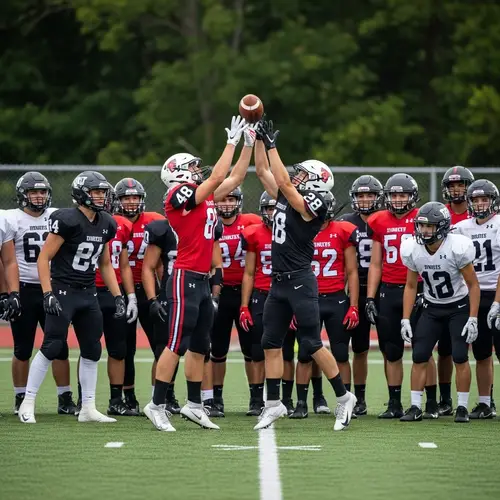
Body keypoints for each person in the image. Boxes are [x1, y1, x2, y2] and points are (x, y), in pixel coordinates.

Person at [144, 115, 250, 431]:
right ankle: (156, 403)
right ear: (177, 174)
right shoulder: (175, 196)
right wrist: (230, 142)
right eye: (191, 167)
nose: (196, 170)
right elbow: (218, 177)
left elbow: (235, 178)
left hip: (203, 280)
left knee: (200, 346)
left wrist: (249, 142)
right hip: (184, 278)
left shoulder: (202, 198)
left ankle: (194, 404)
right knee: (175, 344)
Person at [253, 119, 356, 431]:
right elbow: (262, 172)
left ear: (315, 181)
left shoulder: (318, 201)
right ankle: (273, 404)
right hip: (279, 282)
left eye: (302, 175)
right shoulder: (289, 194)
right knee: (270, 342)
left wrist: (272, 145)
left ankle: (343, 397)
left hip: (300, 281)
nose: (296, 177)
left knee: (311, 343)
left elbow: (284, 183)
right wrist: (257, 140)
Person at [18, 171, 126, 424]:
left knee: (92, 348)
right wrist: (48, 292)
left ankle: (88, 407)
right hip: (63, 289)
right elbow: (44, 258)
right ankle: (28, 401)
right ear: (82, 195)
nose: (101, 196)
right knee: (52, 345)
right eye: (96, 192)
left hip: (88, 292)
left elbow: (106, 264)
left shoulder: (107, 223)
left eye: (103, 192)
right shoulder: (67, 220)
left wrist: (118, 295)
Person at [365, 173, 438, 418]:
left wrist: (428, 289)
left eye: (402, 195)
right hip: (389, 291)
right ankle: (394, 403)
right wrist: (370, 297)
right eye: (394, 195)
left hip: (418, 290)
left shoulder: (422, 218)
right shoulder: (378, 221)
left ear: (412, 196)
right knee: (391, 350)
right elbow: (376, 263)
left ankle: (431, 403)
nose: (397, 199)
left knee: (423, 349)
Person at [400, 202, 479, 423]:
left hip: (458, 307)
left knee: (460, 356)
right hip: (432, 306)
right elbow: (410, 285)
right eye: (422, 226)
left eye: (430, 226)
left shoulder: (457, 247)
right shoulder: (412, 248)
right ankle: (416, 406)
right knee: (419, 355)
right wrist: (405, 319)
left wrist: (473, 317)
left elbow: (473, 285)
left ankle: (462, 407)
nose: (424, 231)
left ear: (443, 227)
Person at [7, 172, 76, 415]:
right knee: (22, 348)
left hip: (53, 288)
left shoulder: (57, 217)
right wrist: (9, 293)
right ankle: (20, 396)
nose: (39, 196)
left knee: (59, 345)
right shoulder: (10, 219)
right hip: (24, 289)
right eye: (33, 192)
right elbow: (6, 260)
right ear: (22, 195)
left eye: (42, 191)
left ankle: (65, 397)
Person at [290, 191, 359, 419]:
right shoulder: (300, 230)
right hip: (308, 298)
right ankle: (301, 402)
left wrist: (354, 305)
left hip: (336, 298)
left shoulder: (343, 231)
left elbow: (352, 271)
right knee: (305, 354)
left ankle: (345, 401)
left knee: (340, 353)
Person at [114, 178, 164, 413]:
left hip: (149, 290)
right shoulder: (111, 223)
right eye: (126, 198)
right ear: (118, 201)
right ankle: (129, 398)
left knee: (160, 346)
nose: (131, 202)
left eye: (135, 197)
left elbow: (164, 258)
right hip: (121, 290)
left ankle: (161, 397)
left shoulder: (155, 221)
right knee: (125, 348)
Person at [211, 184, 260, 416]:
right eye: (223, 199)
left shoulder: (251, 222)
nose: (227, 204)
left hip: (246, 293)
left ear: (239, 201)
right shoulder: (210, 224)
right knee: (217, 350)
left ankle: (256, 397)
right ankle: (216, 398)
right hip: (219, 293)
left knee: (251, 349)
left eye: (232, 199)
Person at [338, 174, 384, 415]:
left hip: (382, 288)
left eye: (370, 195)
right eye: (360, 195)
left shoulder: (385, 220)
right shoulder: (346, 222)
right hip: (352, 289)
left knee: (368, 349)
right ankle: (350, 398)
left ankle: (363, 396)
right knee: (352, 346)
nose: (365, 199)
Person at [454, 179, 500, 419]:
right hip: (474, 294)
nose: (481, 204)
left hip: (497, 294)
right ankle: (485, 403)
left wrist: (498, 302)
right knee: (481, 353)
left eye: (485, 199)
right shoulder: (462, 228)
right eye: (476, 200)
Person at [94, 185, 139, 416]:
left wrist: (130, 296)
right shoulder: (80, 223)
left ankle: (115, 399)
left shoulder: (123, 225)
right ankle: (86, 400)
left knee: (118, 349)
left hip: (114, 293)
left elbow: (123, 265)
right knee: (89, 348)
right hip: (89, 291)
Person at [437, 165, 475, 415]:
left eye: (460, 184)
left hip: (476, 284)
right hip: (446, 287)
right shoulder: (440, 214)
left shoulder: (482, 213)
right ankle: (444, 398)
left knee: (477, 349)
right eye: (452, 185)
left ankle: (486, 399)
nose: (457, 189)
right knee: (444, 348)